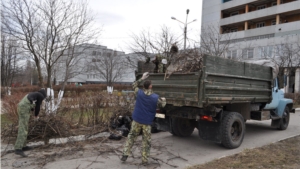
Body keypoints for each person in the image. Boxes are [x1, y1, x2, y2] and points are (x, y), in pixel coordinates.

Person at [121, 72, 166, 165]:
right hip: (147, 122)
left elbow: (134, 84)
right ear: (150, 86)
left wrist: (142, 78)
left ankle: (125, 154)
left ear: (144, 86)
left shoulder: (139, 93)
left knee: (131, 137)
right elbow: (162, 105)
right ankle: (144, 161)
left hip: (136, 120)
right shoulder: (155, 97)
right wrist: (164, 100)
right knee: (146, 141)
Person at [14, 89, 47, 157]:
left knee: (25, 128)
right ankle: (18, 148)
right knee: (22, 129)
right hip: (24, 109)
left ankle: (23, 146)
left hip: (24, 108)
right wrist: (36, 116)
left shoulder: (34, 95)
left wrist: (32, 109)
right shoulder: (40, 95)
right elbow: (37, 107)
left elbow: (32, 105)